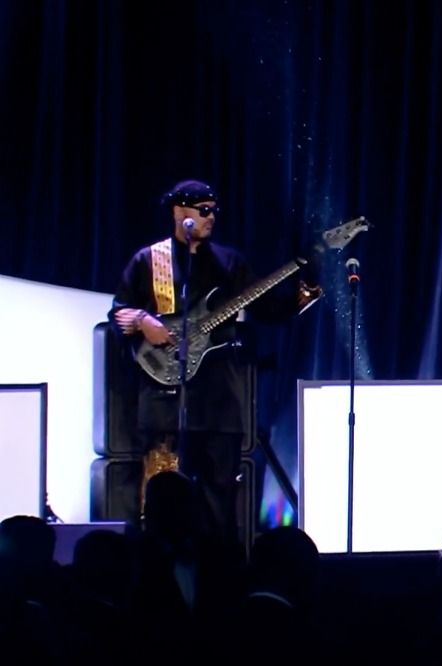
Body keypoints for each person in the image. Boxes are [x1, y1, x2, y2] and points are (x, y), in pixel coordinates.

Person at [108, 179, 320, 541]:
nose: (211, 218)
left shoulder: (229, 262)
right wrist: (144, 320)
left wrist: (303, 296)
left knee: (219, 496)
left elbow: (266, 309)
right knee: (163, 493)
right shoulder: (149, 259)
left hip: (219, 397)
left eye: (214, 211)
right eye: (203, 211)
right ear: (179, 212)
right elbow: (118, 312)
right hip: (164, 396)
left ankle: (220, 565)